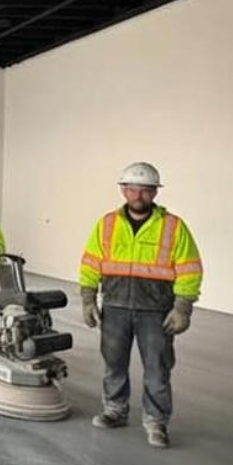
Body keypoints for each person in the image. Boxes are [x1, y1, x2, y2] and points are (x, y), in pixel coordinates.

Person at [79, 162, 203, 449]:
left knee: (157, 368)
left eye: (145, 190)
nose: (138, 195)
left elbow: (190, 269)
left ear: (154, 192)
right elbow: (90, 263)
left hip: (156, 311)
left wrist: (183, 307)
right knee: (114, 363)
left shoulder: (173, 226)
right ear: (123, 190)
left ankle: (156, 421)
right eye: (132, 188)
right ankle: (115, 410)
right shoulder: (107, 224)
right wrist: (88, 298)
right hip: (115, 307)